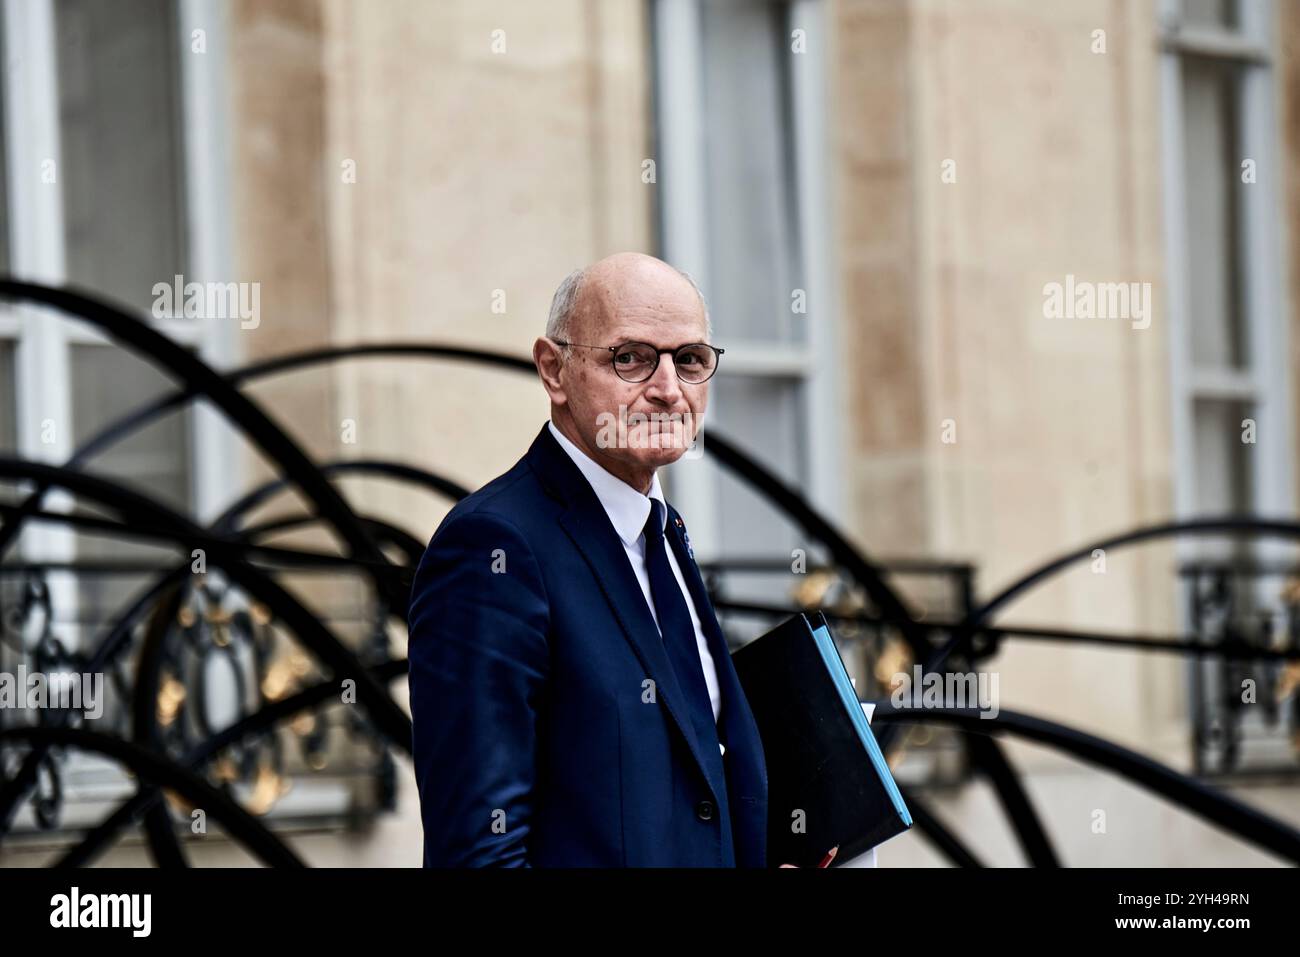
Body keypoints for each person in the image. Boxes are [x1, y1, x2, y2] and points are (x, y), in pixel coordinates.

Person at [407, 252, 835, 867]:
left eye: (689, 360)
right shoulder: (492, 546)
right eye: (630, 358)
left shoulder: (664, 532)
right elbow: (477, 857)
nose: (666, 390)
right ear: (554, 371)